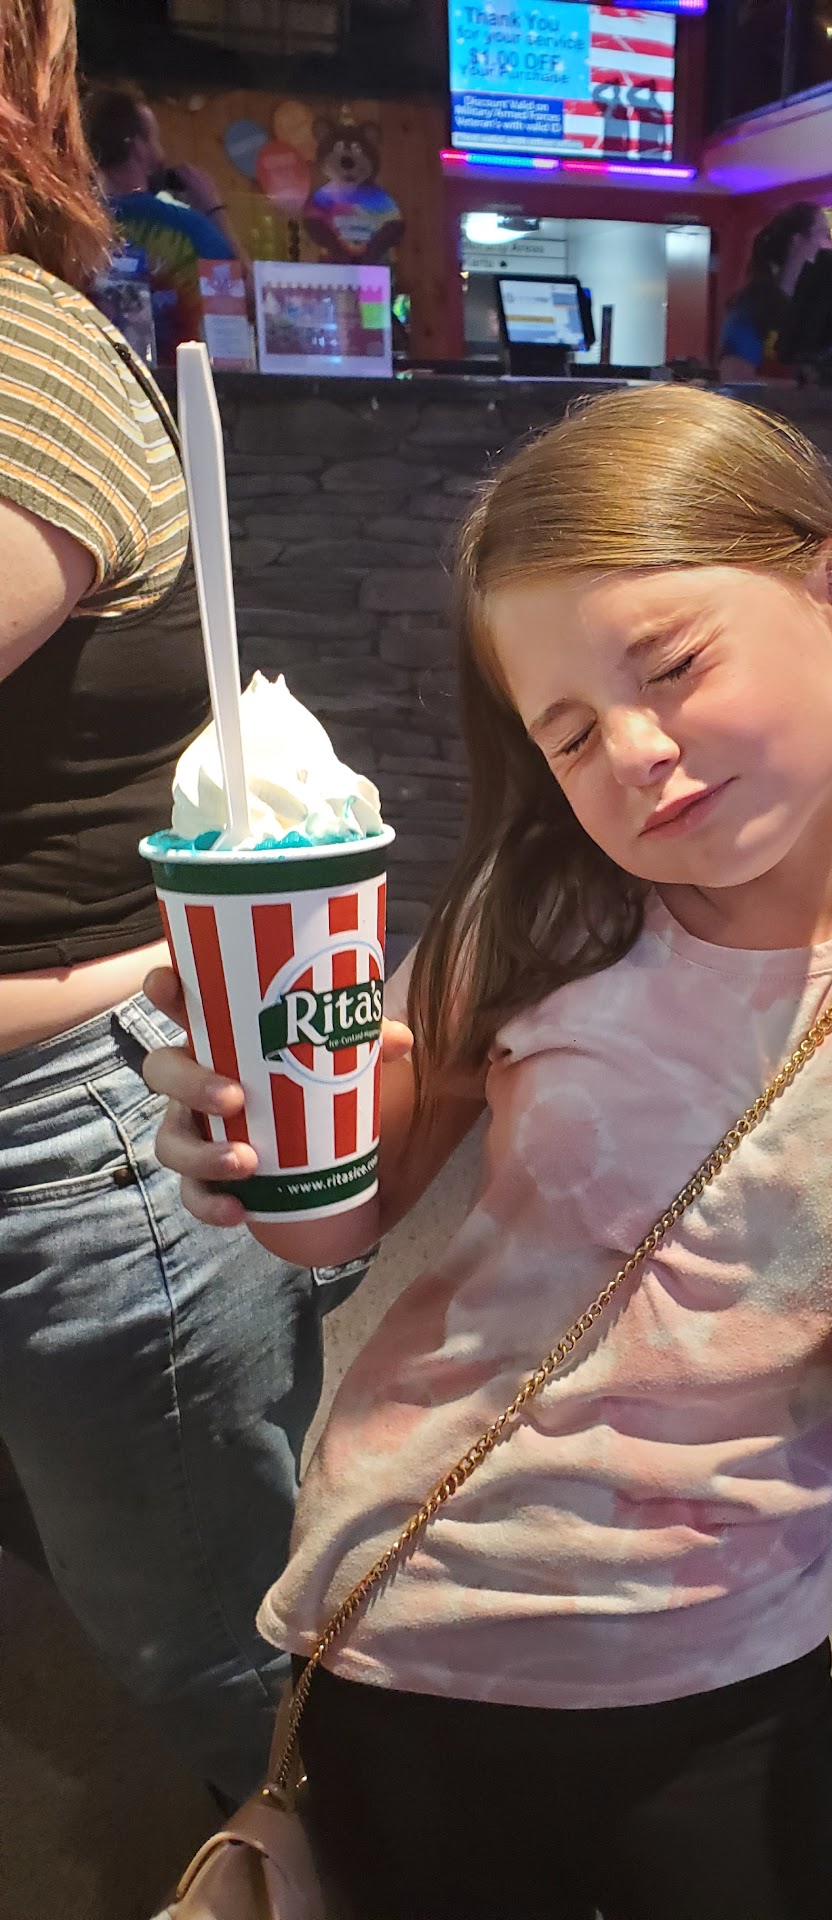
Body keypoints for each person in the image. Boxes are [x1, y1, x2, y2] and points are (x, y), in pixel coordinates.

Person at [146, 385, 832, 1918]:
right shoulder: (540, 914)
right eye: (567, 733)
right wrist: (250, 1130)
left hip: (720, 1665)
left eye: (676, 664)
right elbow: (329, 1225)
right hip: (406, 1613)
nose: (632, 750)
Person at [0, 0, 361, 1806]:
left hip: (66, 1124)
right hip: (90, 1116)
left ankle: (321, 1858)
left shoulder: (16, 348)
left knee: (222, 1644)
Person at [82, 84, 238, 363]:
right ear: (138, 147)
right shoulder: (189, 228)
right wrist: (213, 209)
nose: (161, 153)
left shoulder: (74, 233)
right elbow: (245, 297)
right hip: (176, 382)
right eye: (155, 139)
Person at [718, 200, 832, 380]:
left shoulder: (815, 305)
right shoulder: (751, 306)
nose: (831, 245)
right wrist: (800, 388)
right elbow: (735, 378)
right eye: (824, 234)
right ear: (797, 242)